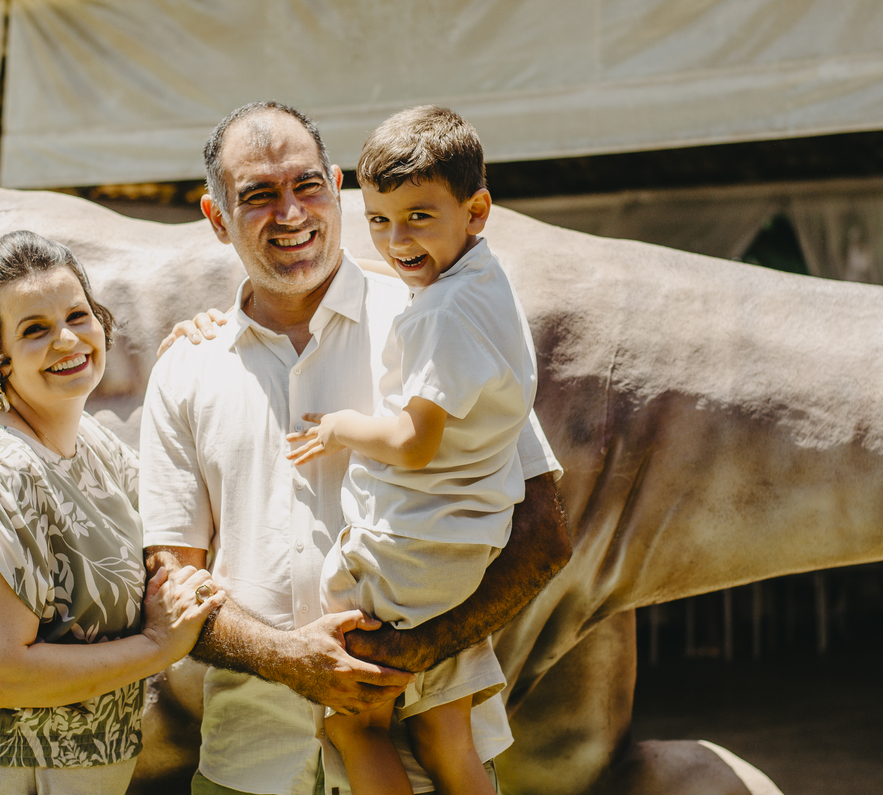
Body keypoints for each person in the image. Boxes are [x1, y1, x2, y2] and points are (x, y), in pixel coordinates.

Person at [140, 101, 570, 795]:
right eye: (258, 194)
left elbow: (544, 533)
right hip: (251, 763)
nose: (291, 212)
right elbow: (172, 583)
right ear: (217, 217)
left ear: (336, 187)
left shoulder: (432, 314)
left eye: (307, 185)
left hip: (425, 769)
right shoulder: (188, 367)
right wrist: (287, 659)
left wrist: (415, 650)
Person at [0, 230, 224, 794]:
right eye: (34, 329)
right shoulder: (2, 472)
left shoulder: (88, 444)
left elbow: (184, 511)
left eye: (77, 315)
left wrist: (198, 366)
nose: (68, 339)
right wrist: (156, 647)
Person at [284, 106, 530, 795]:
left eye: (418, 217)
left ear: (476, 211)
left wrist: (339, 426)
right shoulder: (483, 283)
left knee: (355, 724)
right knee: (445, 732)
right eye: (379, 220)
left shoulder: (441, 317)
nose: (397, 240)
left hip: (403, 557)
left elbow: (413, 443)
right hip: (463, 549)